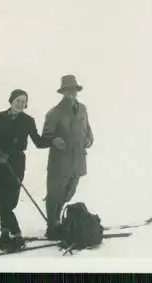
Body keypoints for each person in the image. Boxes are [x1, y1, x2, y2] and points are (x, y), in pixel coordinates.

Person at [0, 89, 49, 250]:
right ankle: (5, 232)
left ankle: (16, 233)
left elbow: (38, 141)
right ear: (11, 101)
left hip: (15, 163)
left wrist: (54, 139)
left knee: (8, 201)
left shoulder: (28, 120)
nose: (21, 104)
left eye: (23, 102)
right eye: (18, 101)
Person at [41, 75, 94, 240]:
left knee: (70, 192)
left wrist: (90, 139)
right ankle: (52, 225)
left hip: (78, 160)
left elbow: (88, 128)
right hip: (60, 161)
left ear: (76, 91)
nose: (71, 93)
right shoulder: (54, 113)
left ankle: (57, 219)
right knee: (54, 194)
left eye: (73, 90)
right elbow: (45, 137)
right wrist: (54, 140)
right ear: (62, 92)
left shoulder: (83, 109)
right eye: (67, 90)